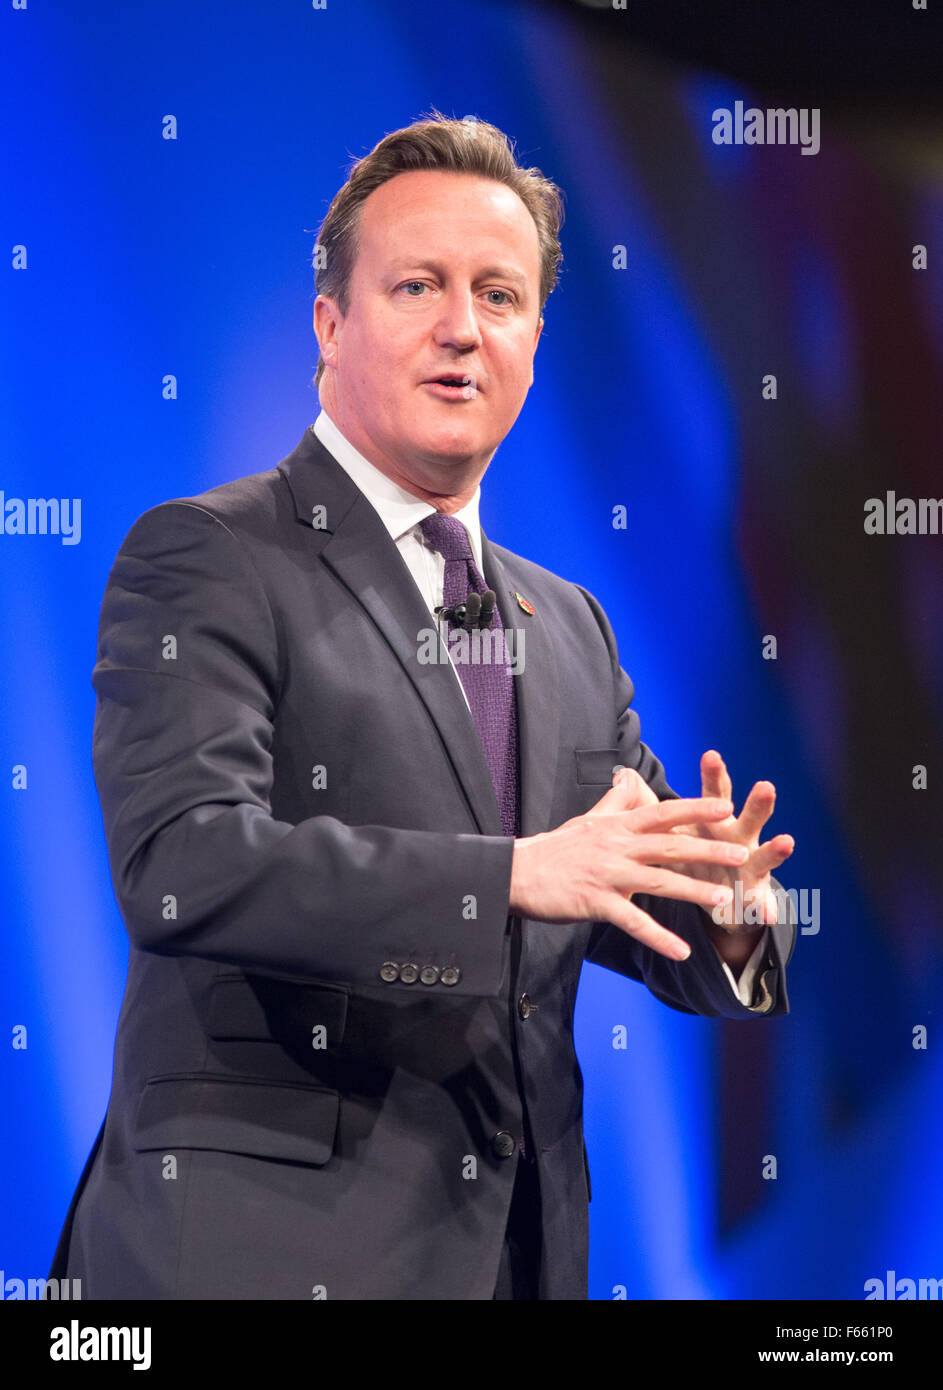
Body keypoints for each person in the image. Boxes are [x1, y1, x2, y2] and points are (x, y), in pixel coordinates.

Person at [49, 113, 795, 1301]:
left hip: (516, 1263)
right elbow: (182, 863)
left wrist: (732, 904)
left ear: (535, 340)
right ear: (329, 325)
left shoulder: (572, 630)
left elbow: (610, 884)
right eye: (418, 286)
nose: (462, 327)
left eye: (499, 296)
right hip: (260, 1253)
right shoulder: (207, 556)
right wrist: (502, 875)